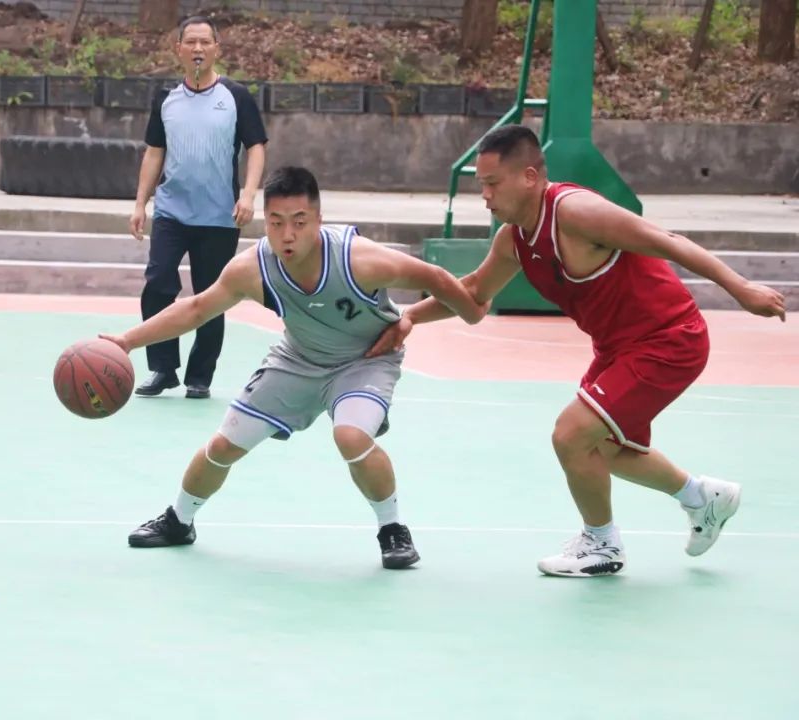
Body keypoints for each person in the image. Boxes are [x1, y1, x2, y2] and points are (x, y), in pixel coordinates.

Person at [368, 124, 786, 577]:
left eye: (492, 183)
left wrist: (741, 289)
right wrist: (410, 316)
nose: (485, 196)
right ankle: (703, 498)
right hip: (617, 348)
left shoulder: (577, 213)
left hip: (668, 338)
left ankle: (601, 544)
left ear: (529, 176)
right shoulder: (513, 239)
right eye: (481, 185)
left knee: (571, 434)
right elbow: (473, 294)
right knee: (601, 450)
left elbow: (669, 242)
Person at [101, 166, 488, 568]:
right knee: (223, 445)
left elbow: (434, 277)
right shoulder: (252, 269)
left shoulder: (359, 259)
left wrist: (462, 312)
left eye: (299, 222)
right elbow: (197, 308)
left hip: (365, 360)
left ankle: (392, 530)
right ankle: (179, 520)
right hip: (297, 359)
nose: (288, 234)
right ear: (264, 222)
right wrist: (127, 341)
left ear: (319, 220)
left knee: (351, 436)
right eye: (276, 222)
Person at [129, 15, 267, 400]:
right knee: (158, 284)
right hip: (171, 212)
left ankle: (199, 377)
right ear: (178, 50)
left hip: (219, 217)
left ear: (216, 49)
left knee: (211, 296)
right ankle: (163, 368)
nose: (198, 48)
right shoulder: (166, 100)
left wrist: (248, 195)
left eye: (205, 42)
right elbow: (154, 152)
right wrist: (140, 203)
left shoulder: (235, 96)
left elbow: (256, 147)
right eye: (190, 42)